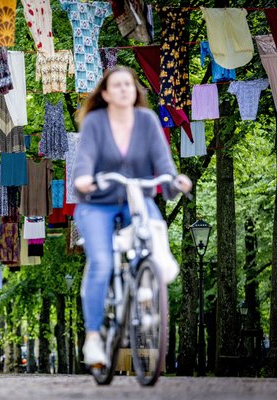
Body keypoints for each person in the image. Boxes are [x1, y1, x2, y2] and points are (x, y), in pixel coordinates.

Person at [72, 65, 192, 366]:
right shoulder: (96, 122)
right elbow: (84, 158)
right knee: (100, 261)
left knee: (153, 228)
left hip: (136, 198)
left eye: (129, 84)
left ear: (136, 90)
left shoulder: (148, 121)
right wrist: (84, 178)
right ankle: (94, 339)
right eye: (118, 85)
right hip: (96, 201)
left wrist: (174, 181)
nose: (125, 89)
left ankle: (147, 283)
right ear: (105, 93)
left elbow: (163, 163)